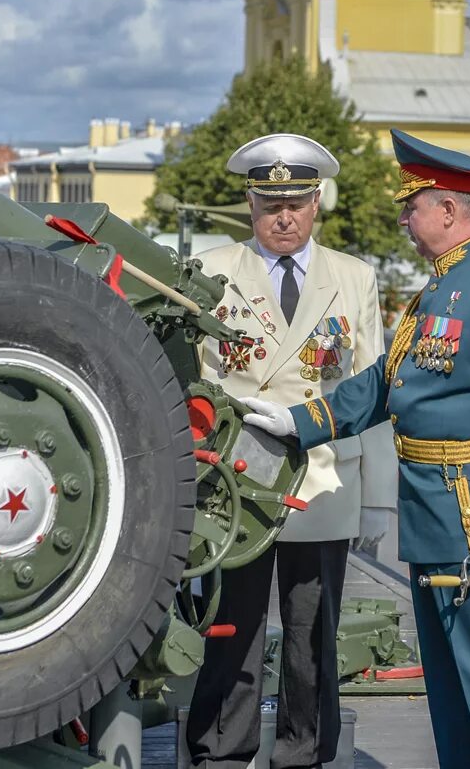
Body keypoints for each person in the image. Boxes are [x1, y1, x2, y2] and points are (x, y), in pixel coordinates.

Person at [243, 129, 470, 769]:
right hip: (434, 516)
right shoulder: (439, 289)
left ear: (448, 210)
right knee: (451, 689)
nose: (403, 220)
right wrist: (300, 420)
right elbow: (386, 383)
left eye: (412, 206)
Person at [185, 133, 398, 769]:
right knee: (232, 628)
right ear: (250, 205)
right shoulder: (213, 271)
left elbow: (376, 388)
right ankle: (223, 750)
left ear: (316, 205)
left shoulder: (354, 277)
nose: (284, 217)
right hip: (237, 481)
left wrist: (379, 501)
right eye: (270, 204)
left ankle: (302, 752)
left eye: (296, 204)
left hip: (323, 481)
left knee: (313, 634)